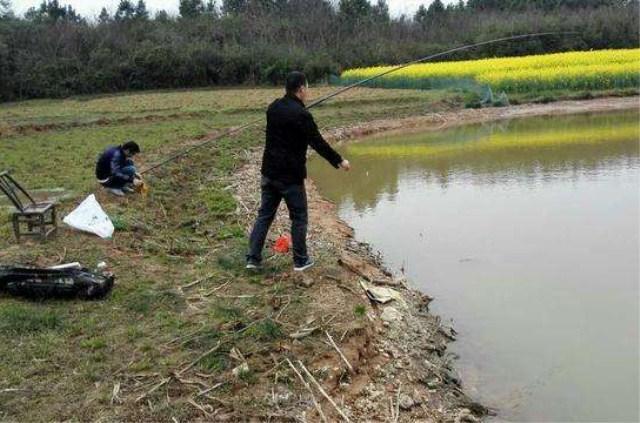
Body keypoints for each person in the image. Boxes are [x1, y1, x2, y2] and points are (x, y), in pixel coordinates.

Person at [247, 71, 351, 272]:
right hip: (290, 177)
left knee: (265, 215)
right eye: (307, 87)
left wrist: (299, 111)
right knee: (299, 217)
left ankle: (252, 259)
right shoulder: (302, 115)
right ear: (301, 89)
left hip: (269, 173)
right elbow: (318, 143)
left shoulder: (273, 108)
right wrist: (340, 161)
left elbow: (288, 118)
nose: (308, 91)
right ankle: (301, 261)